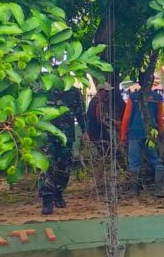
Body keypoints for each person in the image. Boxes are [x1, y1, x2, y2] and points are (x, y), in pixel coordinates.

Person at [38, 85, 87, 215]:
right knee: (46, 166)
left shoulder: (74, 92)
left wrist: (85, 130)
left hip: (67, 136)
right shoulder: (44, 89)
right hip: (47, 136)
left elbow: (81, 112)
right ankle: (47, 199)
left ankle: (58, 194)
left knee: (64, 167)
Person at [119, 84, 164, 195]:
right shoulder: (157, 97)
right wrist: (161, 132)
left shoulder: (133, 97)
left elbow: (127, 117)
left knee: (134, 162)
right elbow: (159, 117)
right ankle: (160, 189)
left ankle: (135, 190)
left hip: (134, 133)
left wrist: (123, 135)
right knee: (155, 159)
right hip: (151, 133)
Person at [85, 81, 115, 153]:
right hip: (97, 130)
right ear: (101, 91)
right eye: (106, 91)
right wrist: (110, 126)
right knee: (109, 148)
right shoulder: (98, 102)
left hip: (92, 130)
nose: (108, 93)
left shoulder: (94, 100)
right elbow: (99, 120)